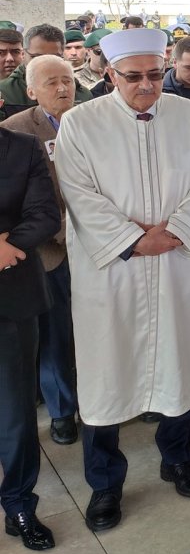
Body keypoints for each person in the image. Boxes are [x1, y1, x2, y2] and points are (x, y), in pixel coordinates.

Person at [56, 28, 190, 531]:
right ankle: (105, 486)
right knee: (107, 375)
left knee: (178, 361)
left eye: (154, 75)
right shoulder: (81, 123)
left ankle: (179, 459)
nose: (146, 86)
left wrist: (173, 231)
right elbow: (78, 192)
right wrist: (131, 238)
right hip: (111, 273)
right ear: (110, 75)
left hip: (173, 263)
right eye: (133, 77)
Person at [0, 56, 80, 446]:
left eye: (67, 80)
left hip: (102, 244)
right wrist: (64, 234)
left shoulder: (93, 120)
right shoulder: (17, 131)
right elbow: (29, 205)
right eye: (52, 82)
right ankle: (62, 410)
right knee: (55, 336)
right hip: (50, 251)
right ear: (30, 91)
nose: (63, 88)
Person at [0, 122, 60, 552]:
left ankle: (19, 503)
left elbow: (45, 214)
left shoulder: (22, 147)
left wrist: (8, 244)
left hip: (12, 297)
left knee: (15, 414)